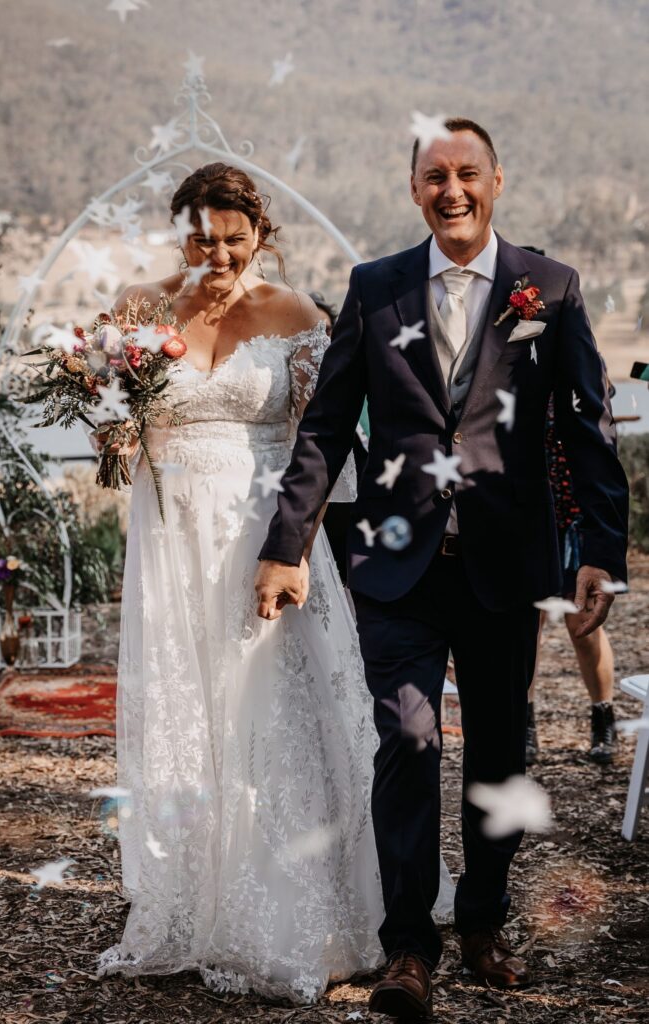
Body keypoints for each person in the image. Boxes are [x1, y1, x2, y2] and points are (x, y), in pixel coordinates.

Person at [255, 119, 629, 1020]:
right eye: (433, 176)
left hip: (506, 565)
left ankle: (483, 921)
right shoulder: (374, 287)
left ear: (496, 180)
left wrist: (603, 557)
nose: (450, 189)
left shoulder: (552, 288)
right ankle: (408, 949)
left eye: (466, 173)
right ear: (412, 189)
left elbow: (585, 427)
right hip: (397, 567)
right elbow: (326, 423)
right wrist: (286, 543)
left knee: (500, 753)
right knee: (409, 741)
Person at [96, 162, 454, 1003]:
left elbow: (320, 440)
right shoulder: (141, 308)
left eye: (232, 238)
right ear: (178, 230)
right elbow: (115, 419)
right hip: (171, 537)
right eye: (199, 237)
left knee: (279, 711)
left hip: (265, 536)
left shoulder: (295, 314)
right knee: (191, 705)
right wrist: (111, 422)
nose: (215, 254)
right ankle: (194, 895)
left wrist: (293, 548)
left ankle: (307, 908)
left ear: (260, 235)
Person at [526, 393, 618, 766]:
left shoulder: (583, 372)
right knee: (526, 624)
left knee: (583, 622)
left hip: (575, 521)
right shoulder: (513, 364)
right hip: (528, 519)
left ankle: (603, 718)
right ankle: (524, 725)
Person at [310, 291, 369, 584]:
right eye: (314, 332)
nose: (322, 340)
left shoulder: (362, 387)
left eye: (328, 331)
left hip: (355, 522)